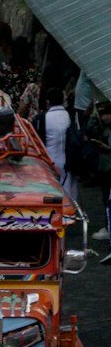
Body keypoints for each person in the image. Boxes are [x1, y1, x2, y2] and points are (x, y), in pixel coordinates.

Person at [37, 85, 79, 202]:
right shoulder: (70, 116)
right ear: (63, 100)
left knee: (49, 192)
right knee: (69, 193)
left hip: (48, 160)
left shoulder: (41, 118)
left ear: (47, 102)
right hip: (69, 161)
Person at [85, 100, 111, 241]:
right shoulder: (101, 127)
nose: (105, 117)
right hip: (104, 168)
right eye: (103, 114)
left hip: (107, 168)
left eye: (108, 114)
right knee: (106, 199)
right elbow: (90, 129)